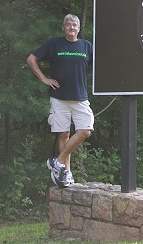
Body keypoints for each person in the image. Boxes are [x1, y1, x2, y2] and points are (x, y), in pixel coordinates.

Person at [26, 14, 94, 187]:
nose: (71, 27)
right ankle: (66, 173)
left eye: (74, 25)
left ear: (79, 28)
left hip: (80, 98)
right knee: (64, 134)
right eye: (68, 25)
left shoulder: (86, 46)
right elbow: (31, 59)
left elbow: (101, 67)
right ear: (63, 28)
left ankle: (57, 161)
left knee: (85, 130)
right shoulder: (54, 44)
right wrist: (44, 78)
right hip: (59, 98)